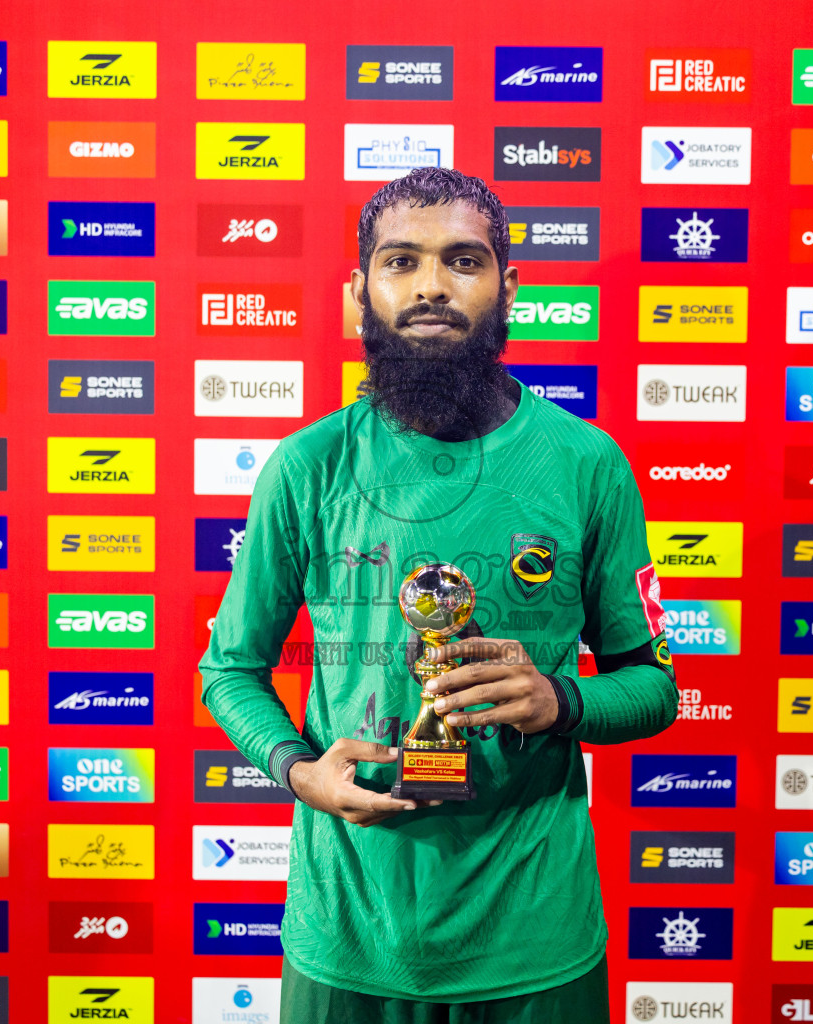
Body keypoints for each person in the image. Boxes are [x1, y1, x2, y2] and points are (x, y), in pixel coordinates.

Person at [198, 166, 678, 1023]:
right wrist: (297, 768)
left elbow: (653, 686)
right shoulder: (308, 466)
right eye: (400, 262)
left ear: (508, 287)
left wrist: (559, 699)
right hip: (350, 933)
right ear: (359, 291)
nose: (430, 286)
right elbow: (230, 669)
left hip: (536, 939)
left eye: (462, 260)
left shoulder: (587, 463)